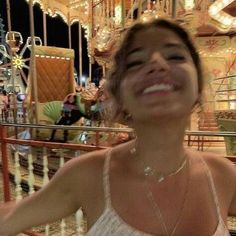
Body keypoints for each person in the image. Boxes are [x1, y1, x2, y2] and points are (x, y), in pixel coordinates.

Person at [0, 18, 236, 236]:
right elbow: (10, 218)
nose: (156, 63)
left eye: (175, 56)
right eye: (135, 62)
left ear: (198, 85)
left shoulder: (223, 175)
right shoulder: (88, 175)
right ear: (120, 94)